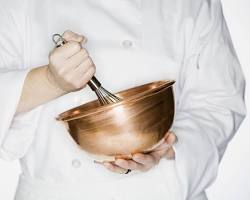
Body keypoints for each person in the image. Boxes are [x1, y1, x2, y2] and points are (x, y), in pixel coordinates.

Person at [0, 0, 246, 199]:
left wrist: (169, 149)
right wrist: (49, 81)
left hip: (161, 189)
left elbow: (219, 99)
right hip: (61, 191)